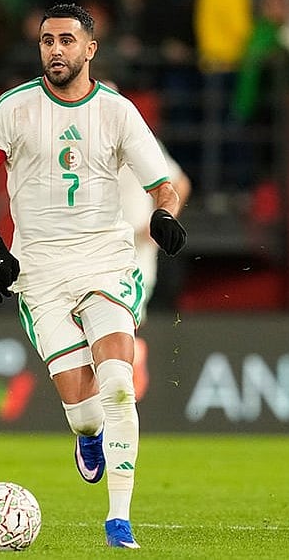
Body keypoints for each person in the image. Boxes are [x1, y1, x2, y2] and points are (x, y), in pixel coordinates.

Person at [0, 3, 186, 548]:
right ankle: (88, 437)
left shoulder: (117, 111)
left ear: (90, 49)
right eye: (47, 41)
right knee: (86, 417)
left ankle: (118, 519)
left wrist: (164, 217)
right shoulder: (12, 109)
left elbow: (165, 186)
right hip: (39, 271)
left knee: (118, 385)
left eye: (66, 40)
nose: (55, 50)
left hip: (105, 261)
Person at [118, 139, 191, 400]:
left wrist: (161, 221)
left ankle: (132, 355)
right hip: (91, 252)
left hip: (135, 256)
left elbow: (179, 182)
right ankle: (132, 354)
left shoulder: (133, 135)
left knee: (118, 328)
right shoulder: (75, 138)